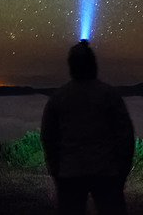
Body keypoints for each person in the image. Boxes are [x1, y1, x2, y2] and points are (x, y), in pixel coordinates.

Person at [40, 40, 135, 215]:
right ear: (93, 64)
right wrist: (121, 172)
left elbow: (48, 137)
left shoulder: (58, 98)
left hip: (70, 173)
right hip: (106, 174)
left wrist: (56, 170)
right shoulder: (109, 95)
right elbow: (125, 136)